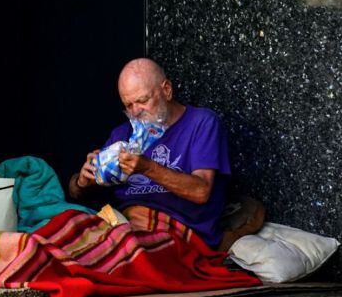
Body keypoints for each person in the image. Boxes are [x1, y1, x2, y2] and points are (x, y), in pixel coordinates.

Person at [68, 58, 229, 248]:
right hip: (124, 225)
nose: (135, 112)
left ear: (167, 90)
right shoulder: (122, 134)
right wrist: (82, 181)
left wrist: (146, 168)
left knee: (124, 251)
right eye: (128, 105)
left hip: (175, 231)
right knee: (67, 229)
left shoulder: (201, 123)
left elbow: (201, 191)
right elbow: (75, 192)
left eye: (142, 101)